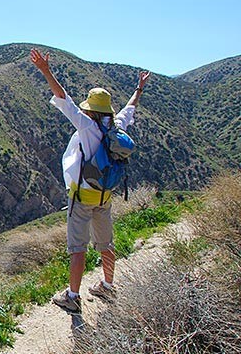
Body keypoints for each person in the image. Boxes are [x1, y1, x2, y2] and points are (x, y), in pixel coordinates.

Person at [29, 48, 151, 314]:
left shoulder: (86, 126)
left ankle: (73, 296)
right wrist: (139, 88)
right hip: (105, 198)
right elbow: (131, 108)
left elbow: (64, 99)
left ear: (91, 110)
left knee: (78, 248)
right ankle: (107, 285)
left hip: (82, 199)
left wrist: (46, 71)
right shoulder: (116, 126)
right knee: (106, 243)